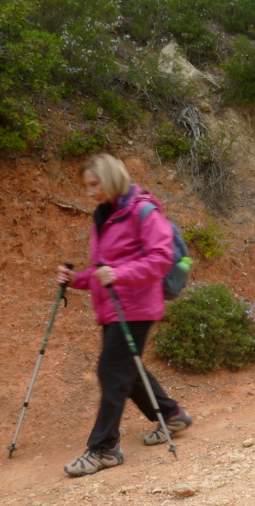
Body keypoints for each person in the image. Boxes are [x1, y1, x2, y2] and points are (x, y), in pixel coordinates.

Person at [56, 153, 192, 477]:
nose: (89, 192)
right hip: (114, 307)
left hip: (137, 305)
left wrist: (120, 274)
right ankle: (170, 415)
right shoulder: (105, 215)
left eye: (94, 184)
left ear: (111, 178)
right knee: (126, 370)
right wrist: (77, 280)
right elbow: (104, 269)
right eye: (86, 186)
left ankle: (104, 448)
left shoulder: (143, 210)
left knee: (112, 370)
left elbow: (161, 259)